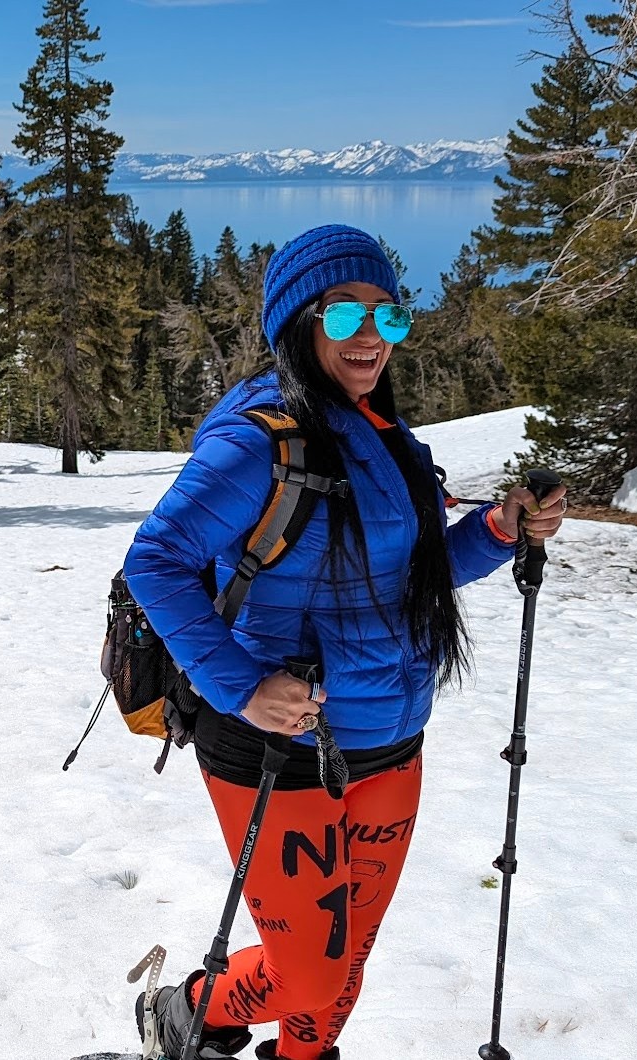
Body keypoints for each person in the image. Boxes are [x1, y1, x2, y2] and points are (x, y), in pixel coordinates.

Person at [121, 224, 567, 1060]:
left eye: (388, 318)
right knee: (314, 973)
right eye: (344, 316)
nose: (371, 337)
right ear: (299, 322)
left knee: (344, 960)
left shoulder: (390, 440)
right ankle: (187, 1010)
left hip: (391, 738)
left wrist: (501, 529)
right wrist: (242, 686)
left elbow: (413, 576)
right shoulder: (257, 441)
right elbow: (156, 561)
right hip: (275, 746)